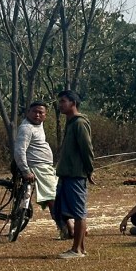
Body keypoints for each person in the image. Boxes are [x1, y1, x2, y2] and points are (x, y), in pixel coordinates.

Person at [52, 90, 93, 259]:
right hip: (66, 174)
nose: (60, 105)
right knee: (63, 210)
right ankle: (80, 247)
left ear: (73, 103)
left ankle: (76, 250)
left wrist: (89, 170)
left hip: (76, 175)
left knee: (78, 213)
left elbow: (87, 149)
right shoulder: (70, 123)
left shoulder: (79, 123)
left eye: (63, 101)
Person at [13, 101, 57, 226]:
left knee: (56, 194)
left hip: (46, 166)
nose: (37, 115)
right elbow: (19, 151)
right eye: (34, 112)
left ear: (45, 115)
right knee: (53, 197)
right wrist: (26, 171)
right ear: (28, 113)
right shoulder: (26, 128)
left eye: (41, 113)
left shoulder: (39, 125)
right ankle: (64, 227)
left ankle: (65, 225)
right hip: (38, 167)